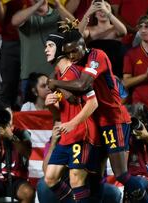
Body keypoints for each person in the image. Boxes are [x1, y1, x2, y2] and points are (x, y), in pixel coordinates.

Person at [47, 25, 148, 202]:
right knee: (94, 177)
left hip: (113, 119)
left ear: (83, 45)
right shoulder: (75, 65)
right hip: (96, 123)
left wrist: (55, 83)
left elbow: (82, 85)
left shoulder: (96, 56)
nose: (72, 56)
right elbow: (73, 95)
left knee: (121, 174)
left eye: (74, 51)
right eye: (68, 53)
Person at [43, 31, 100, 203]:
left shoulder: (76, 73)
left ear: (61, 48)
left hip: (82, 133)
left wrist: (73, 123)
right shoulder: (58, 76)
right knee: (50, 178)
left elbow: (93, 102)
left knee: (76, 180)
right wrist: (50, 104)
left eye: (50, 45)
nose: (45, 49)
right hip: (66, 136)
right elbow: (59, 113)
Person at [11, 0, 74, 101]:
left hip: (56, 76)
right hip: (30, 78)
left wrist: (58, 5)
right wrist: (37, 5)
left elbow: (76, 27)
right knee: (30, 112)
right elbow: (14, 21)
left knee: (60, 110)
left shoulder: (58, 14)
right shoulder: (26, 15)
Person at [78, 0, 127, 77]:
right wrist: (88, 13)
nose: (102, 11)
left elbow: (123, 32)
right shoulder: (89, 29)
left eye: (106, 7)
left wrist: (107, 12)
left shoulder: (115, 29)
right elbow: (78, 35)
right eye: (99, 9)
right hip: (95, 68)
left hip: (115, 69)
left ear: (110, 11)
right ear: (95, 14)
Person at [0, 0, 25, 110]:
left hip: (34, 41)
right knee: (8, 88)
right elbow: (0, 16)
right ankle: (6, 124)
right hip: (11, 43)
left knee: (32, 87)